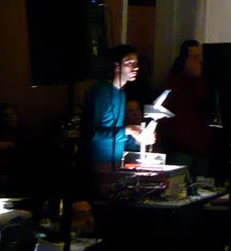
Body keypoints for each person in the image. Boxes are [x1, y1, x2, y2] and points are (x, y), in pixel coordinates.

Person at [80, 45, 155, 196]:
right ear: (116, 66)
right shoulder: (100, 92)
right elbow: (93, 134)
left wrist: (136, 140)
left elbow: (116, 134)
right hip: (97, 168)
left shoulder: (121, 94)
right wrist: (129, 130)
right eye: (129, 63)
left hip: (115, 167)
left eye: (136, 63)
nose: (135, 67)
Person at [161, 39, 213, 184]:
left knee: (200, 185)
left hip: (201, 144)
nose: (199, 61)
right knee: (178, 185)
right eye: (194, 57)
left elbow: (207, 103)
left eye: (200, 57)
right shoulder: (175, 82)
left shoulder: (204, 80)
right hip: (182, 146)